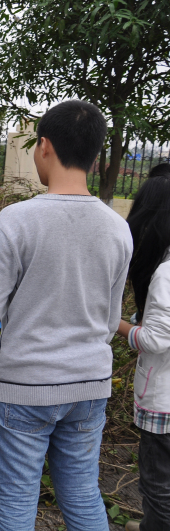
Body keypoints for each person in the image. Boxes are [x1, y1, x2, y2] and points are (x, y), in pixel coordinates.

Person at [0, 100, 132, 530]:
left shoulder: (17, 221)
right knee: (81, 494)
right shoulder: (117, 227)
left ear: (44, 147)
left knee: (17, 500)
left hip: (23, 386)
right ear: (94, 156)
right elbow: (111, 321)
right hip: (89, 386)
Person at [114, 174, 170, 531]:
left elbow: (155, 340)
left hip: (164, 402)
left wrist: (114, 323)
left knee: (158, 483)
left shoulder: (165, 273)